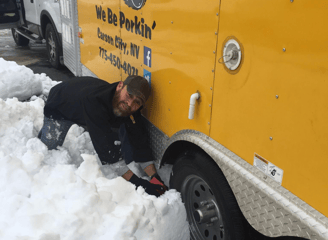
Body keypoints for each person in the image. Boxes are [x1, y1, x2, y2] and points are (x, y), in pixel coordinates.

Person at [38, 75, 167, 197]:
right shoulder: (95, 102)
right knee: (48, 150)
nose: (129, 103)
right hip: (60, 103)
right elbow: (107, 151)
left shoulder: (131, 109)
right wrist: (138, 183)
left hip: (81, 102)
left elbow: (140, 143)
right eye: (129, 95)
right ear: (120, 86)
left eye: (137, 102)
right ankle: (41, 137)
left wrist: (154, 176)